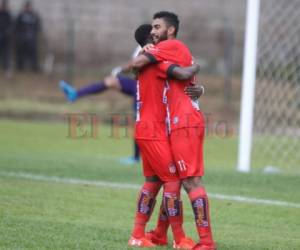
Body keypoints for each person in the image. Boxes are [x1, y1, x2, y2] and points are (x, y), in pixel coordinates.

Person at [130, 11, 216, 250]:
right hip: (164, 127)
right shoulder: (155, 59)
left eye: (158, 28)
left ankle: (156, 234)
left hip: (177, 124)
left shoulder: (169, 51)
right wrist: (195, 69)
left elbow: (187, 78)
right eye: (152, 31)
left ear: (169, 31)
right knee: (175, 181)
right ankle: (177, 238)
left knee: (167, 180)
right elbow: (184, 73)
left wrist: (198, 85)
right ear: (148, 42)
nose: (155, 33)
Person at [14, 0, 41, 71]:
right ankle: (20, 68)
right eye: (27, 7)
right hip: (22, 38)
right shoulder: (21, 15)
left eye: (29, 7)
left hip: (31, 38)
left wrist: (34, 34)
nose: (29, 8)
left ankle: (34, 67)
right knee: (20, 54)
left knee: (33, 54)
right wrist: (19, 35)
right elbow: (16, 26)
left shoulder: (34, 16)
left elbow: (38, 26)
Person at [0, 0, 12, 73]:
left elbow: (11, 26)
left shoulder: (8, 15)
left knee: (6, 54)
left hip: (6, 38)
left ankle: (6, 69)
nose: (4, 7)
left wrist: (7, 33)